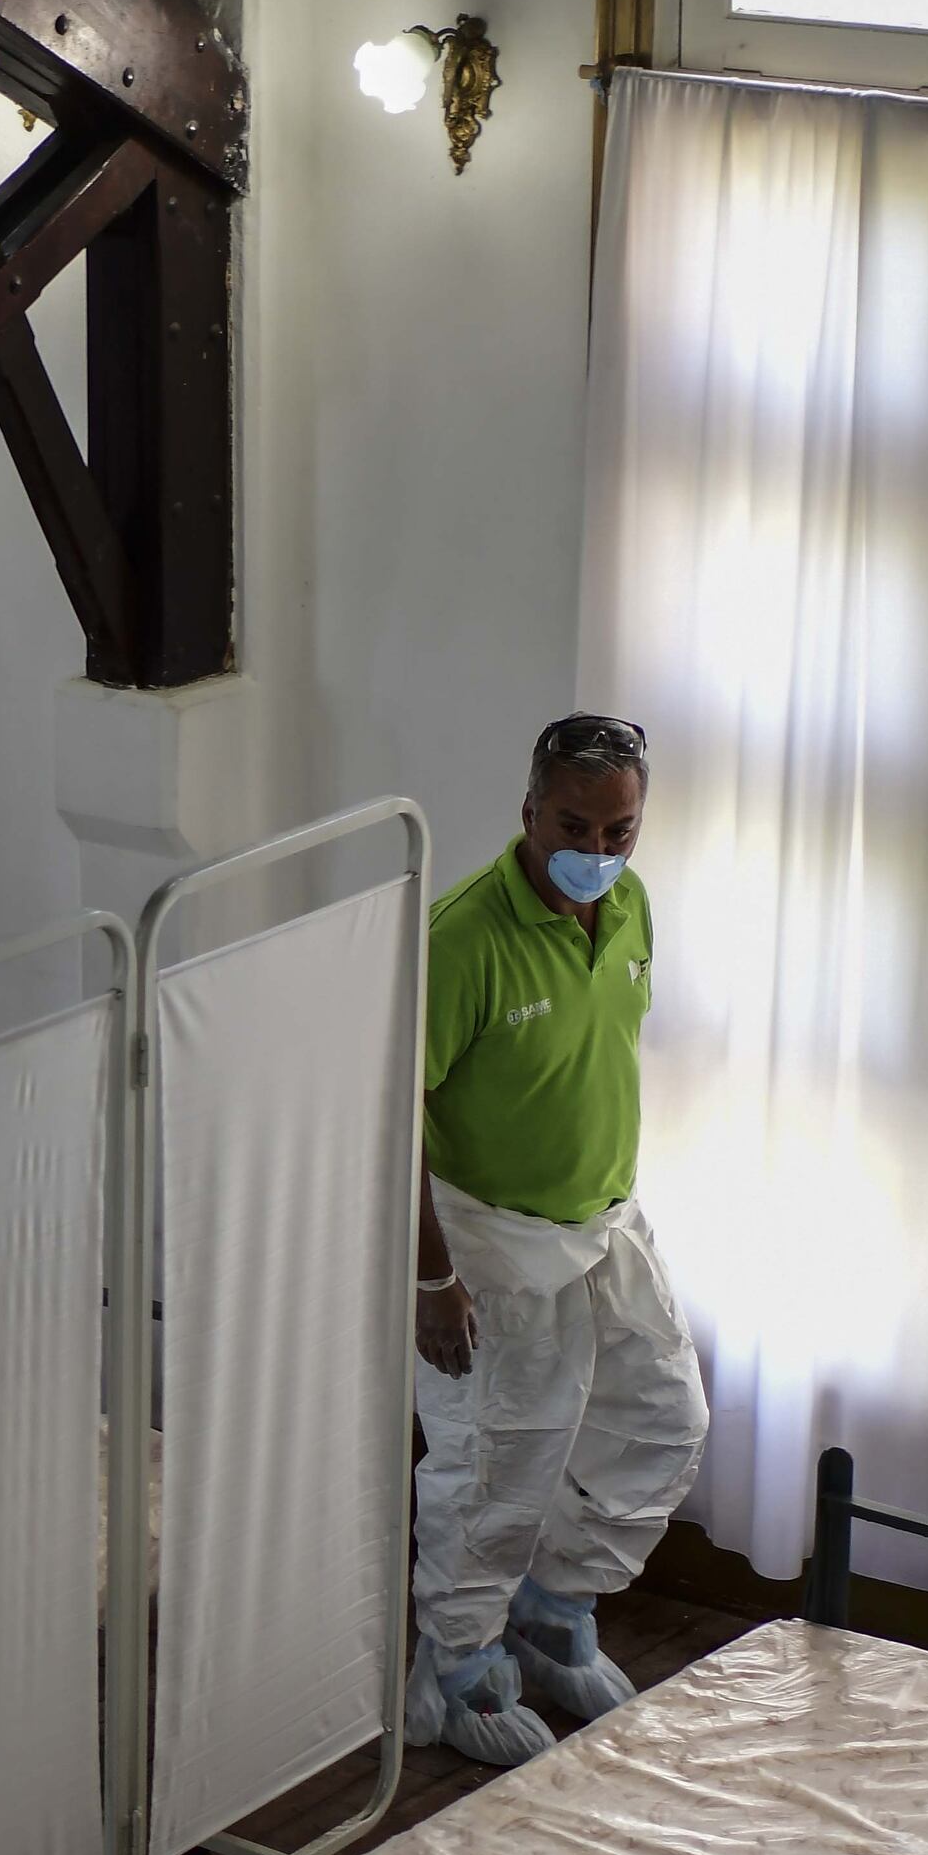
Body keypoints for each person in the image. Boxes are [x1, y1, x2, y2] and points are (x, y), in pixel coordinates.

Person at [407, 711, 711, 1768]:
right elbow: (388, 1112)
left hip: (604, 1222)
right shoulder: (459, 939)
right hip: (487, 1240)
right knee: (497, 1461)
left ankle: (551, 1612)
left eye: (617, 831)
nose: (594, 853)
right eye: (572, 825)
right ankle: (455, 1663)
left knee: (663, 1420)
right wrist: (429, 1276)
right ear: (526, 809)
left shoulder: (625, 907)